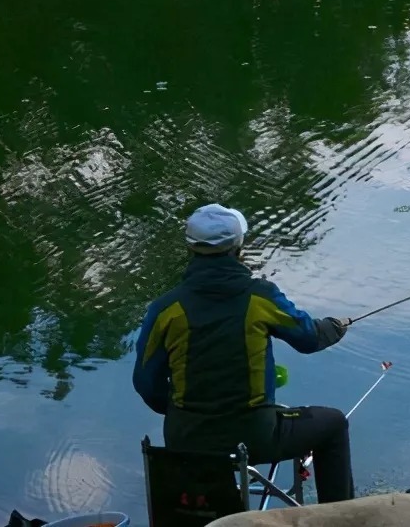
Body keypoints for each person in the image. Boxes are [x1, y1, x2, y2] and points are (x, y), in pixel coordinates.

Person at [132, 203, 355, 503]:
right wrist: (333, 327)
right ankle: (340, 521)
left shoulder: (165, 309)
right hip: (254, 437)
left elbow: (146, 383)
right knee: (334, 424)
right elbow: (309, 339)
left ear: (191, 249)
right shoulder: (259, 296)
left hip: (186, 441)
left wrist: (186, 413)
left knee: (208, 460)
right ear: (239, 247)